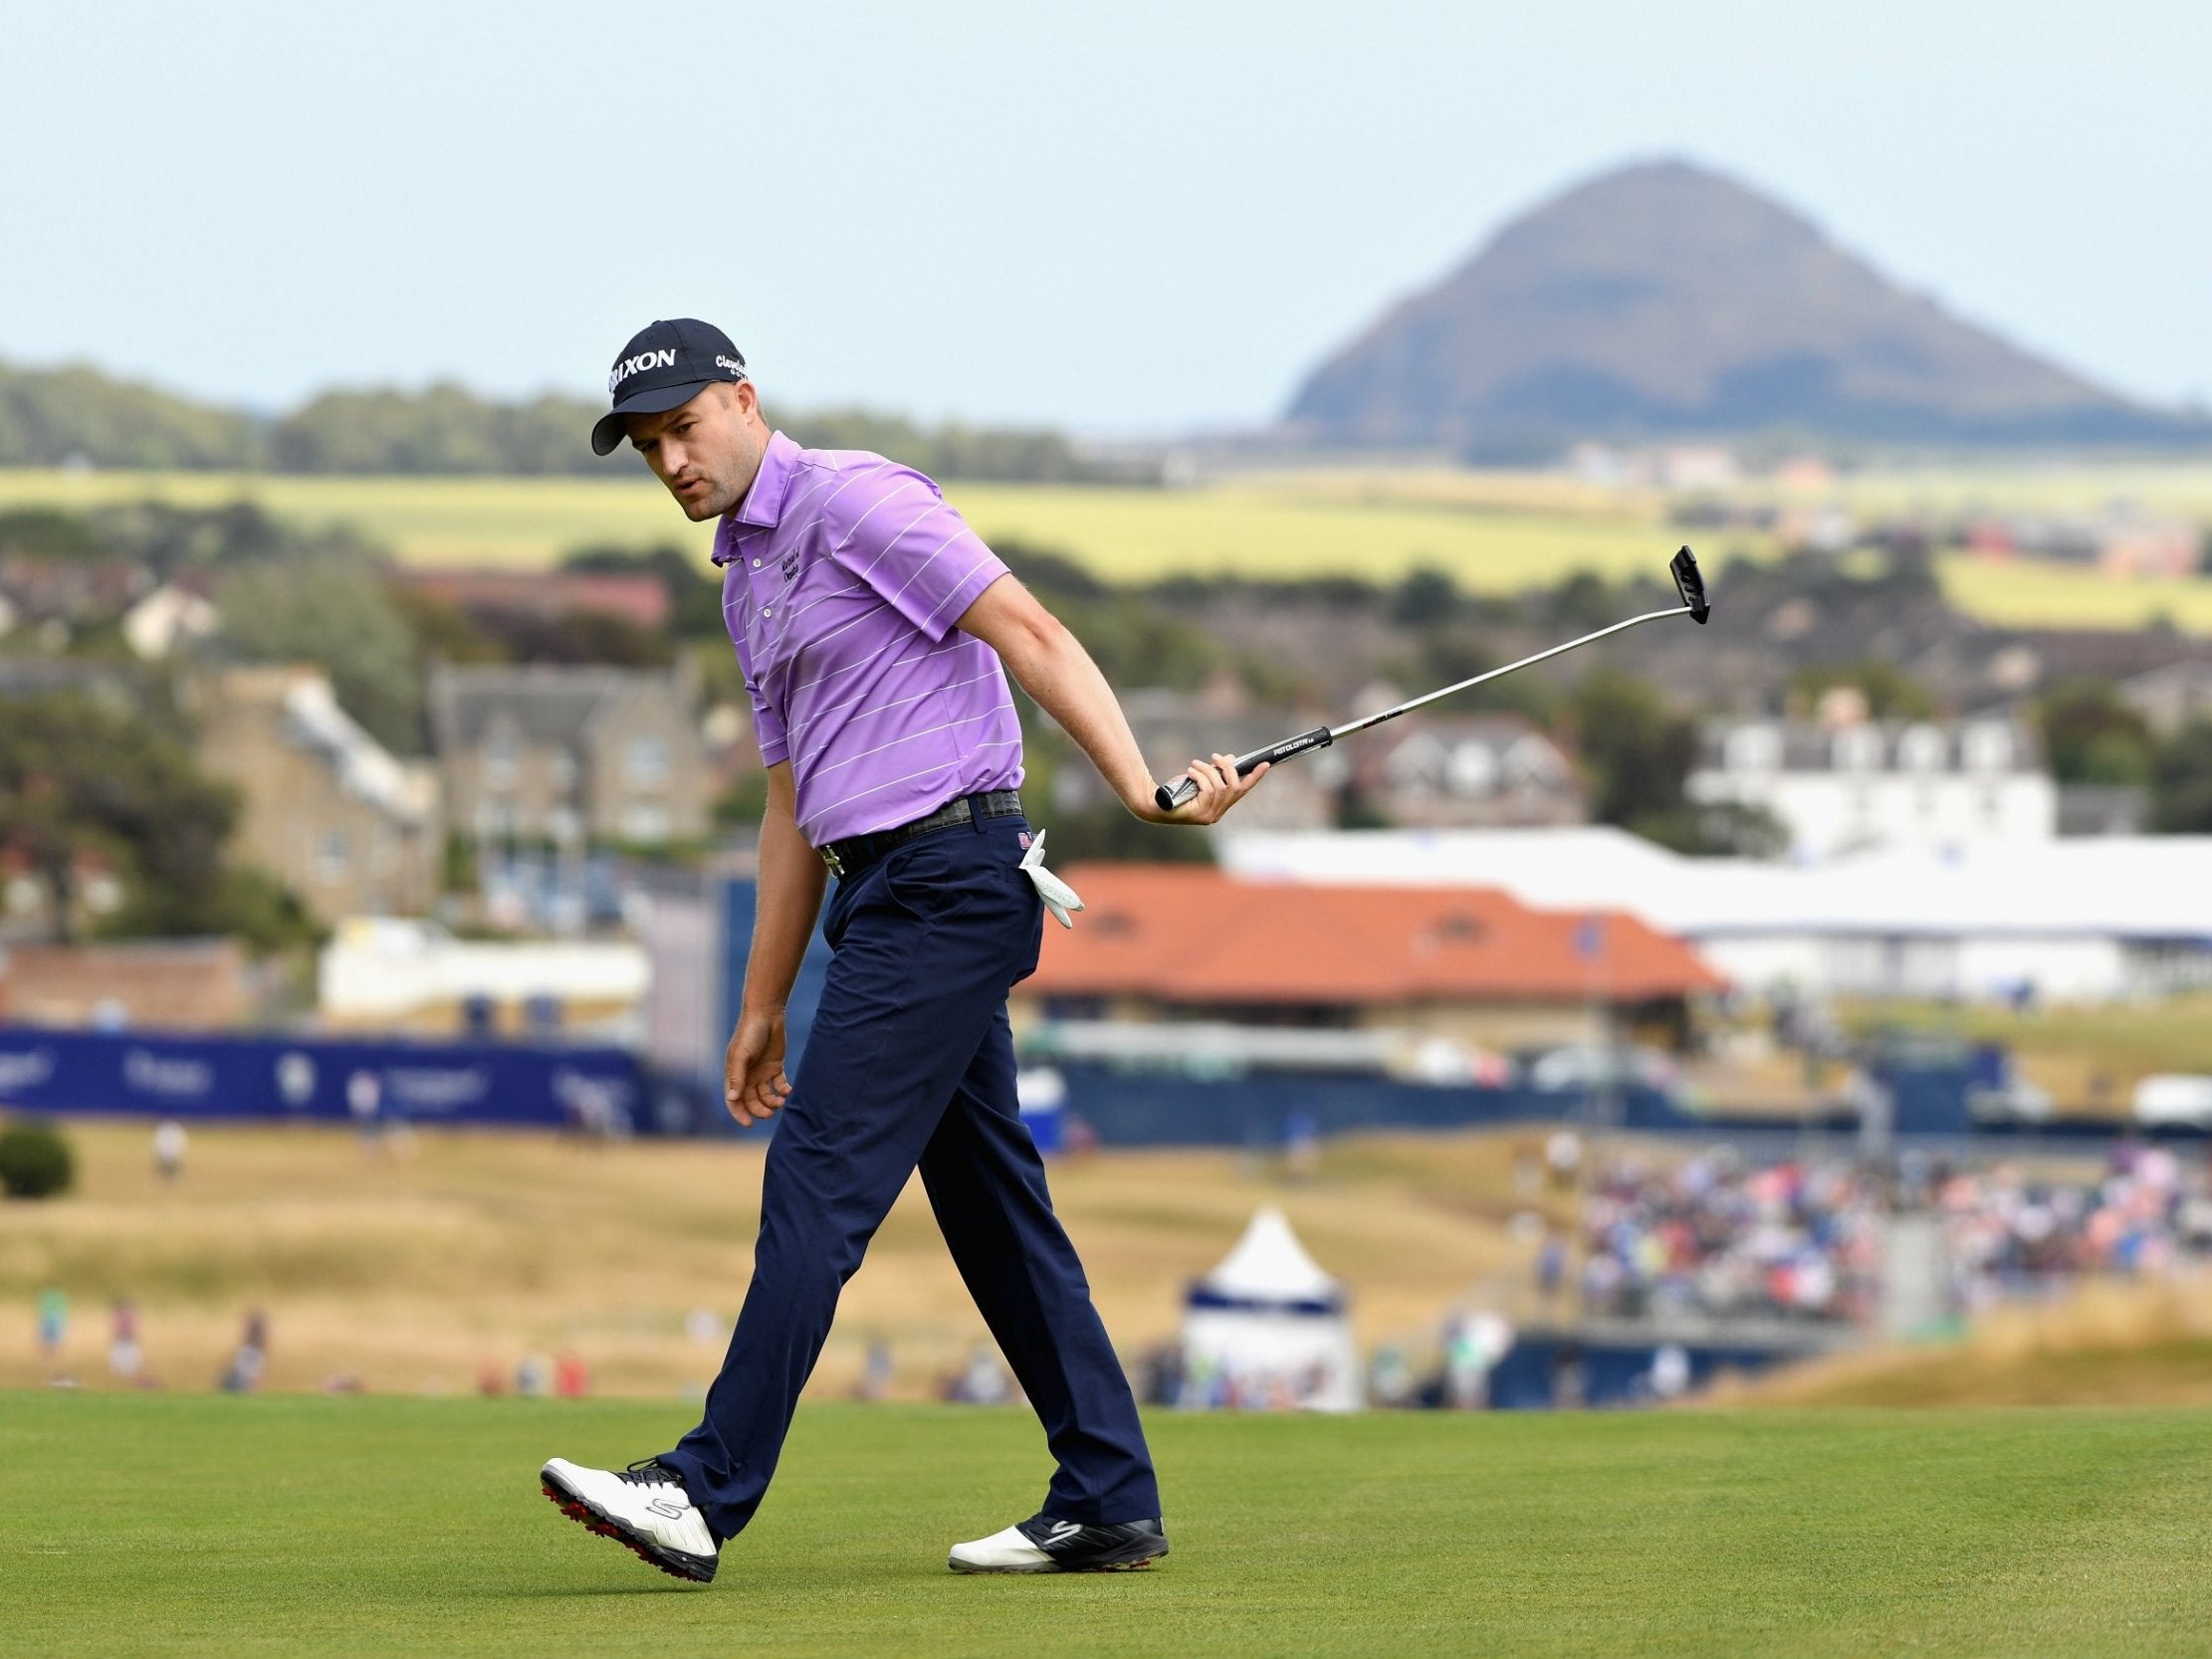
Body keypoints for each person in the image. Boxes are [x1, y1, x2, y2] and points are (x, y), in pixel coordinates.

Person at [540, 320, 1266, 1585]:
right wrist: (760, 1001)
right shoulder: (745, 580)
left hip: (952, 875)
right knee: (991, 1204)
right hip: (877, 894)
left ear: (744, 401)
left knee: (818, 1175)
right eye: (647, 445)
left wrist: (1146, 791)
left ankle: (701, 1490)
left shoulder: (855, 499)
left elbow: (1027, 628)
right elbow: (784, 808)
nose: (669, 460)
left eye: (683, 428)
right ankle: (1105, 1491)